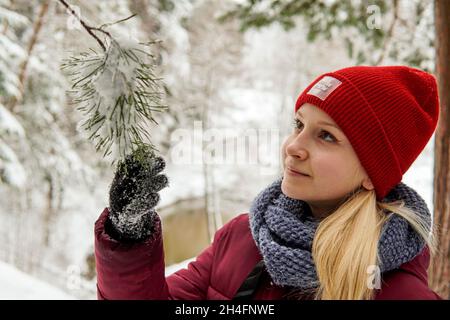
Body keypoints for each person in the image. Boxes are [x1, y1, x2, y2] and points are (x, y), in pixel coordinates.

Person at [94, 65, 443, 300]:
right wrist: (128, 235)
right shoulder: (243, 237)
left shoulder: (394, 290)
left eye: (326, 136)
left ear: (373, 173)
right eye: (299, 125)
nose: (294, 146)